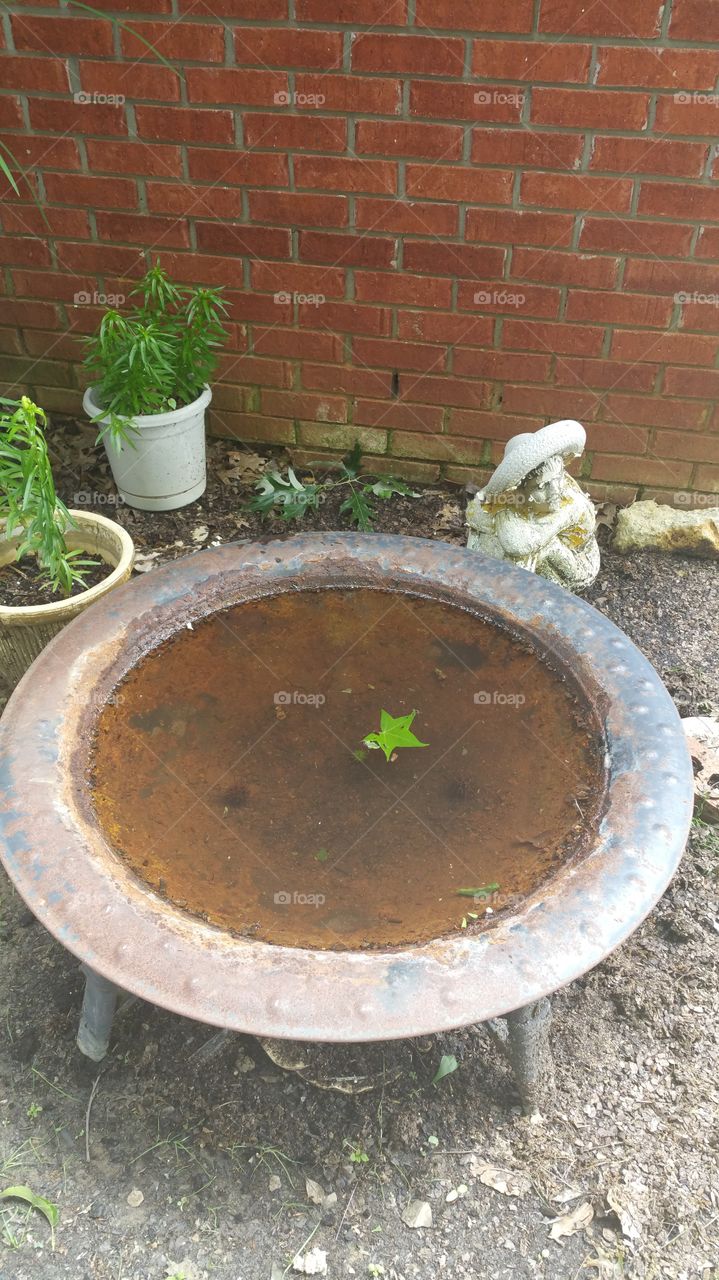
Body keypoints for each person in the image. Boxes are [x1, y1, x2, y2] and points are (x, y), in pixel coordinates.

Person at [466, 420, 600, 591]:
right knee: (491, 539)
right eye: (541, 487)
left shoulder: (571, 504)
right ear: (518, 489)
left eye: (558, 479)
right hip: (527, 539)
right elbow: (474, 513)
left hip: (576, 567)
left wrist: (502, 514)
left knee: (529, 549)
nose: (554, 491)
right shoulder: (512, 496)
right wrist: (499, 513)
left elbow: (520, 545)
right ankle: (480, 579)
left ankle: (518, 595)